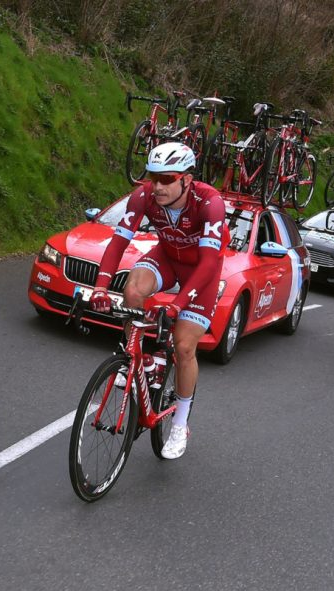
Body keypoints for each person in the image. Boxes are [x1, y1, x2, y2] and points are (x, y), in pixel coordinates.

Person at [90, 142, 229, 459]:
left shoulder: (210, 203)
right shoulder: (143, 197)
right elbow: (117, 244)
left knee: (183, 346)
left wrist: (179, 304)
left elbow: (209, 263)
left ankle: (180, 423)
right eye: (153, 177)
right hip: (167, 257)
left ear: (187, 179)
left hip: (201, 271)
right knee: (133, 290)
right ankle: (133, 357)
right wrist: (100, 286)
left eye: (167, 178)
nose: (158, 186)